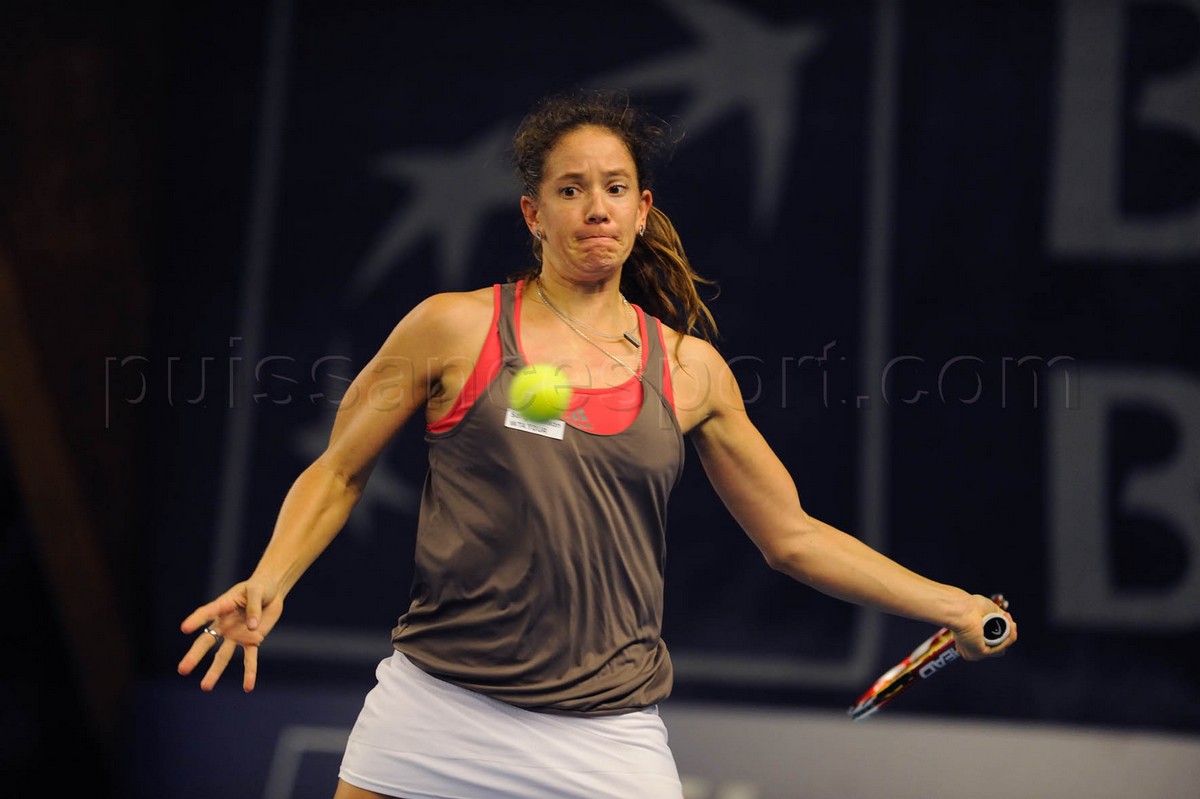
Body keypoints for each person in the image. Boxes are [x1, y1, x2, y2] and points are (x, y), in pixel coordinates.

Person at [177, 88, 1017, 799]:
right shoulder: (452, 327)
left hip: (605, 736)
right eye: (571, 189)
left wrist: (949, 604)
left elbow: (792, 537)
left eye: (615, 188)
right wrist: (269, 580)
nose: (596, 207)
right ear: (533, 214)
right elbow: (337, 472)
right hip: (436, 708)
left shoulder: (690, 371)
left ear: (642, 211)